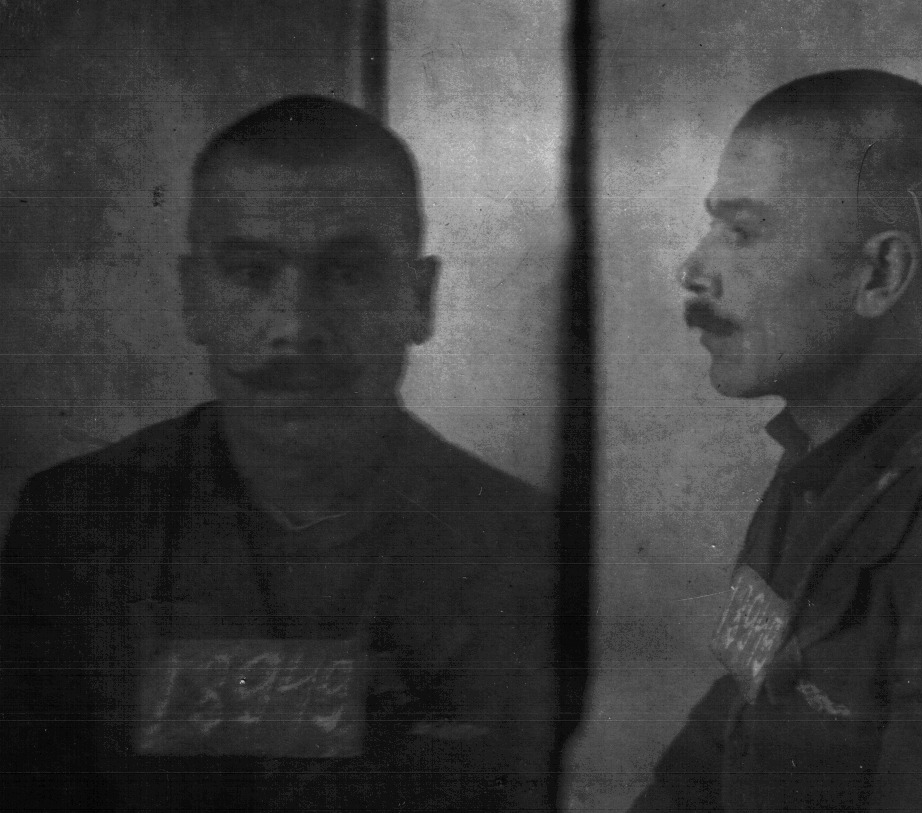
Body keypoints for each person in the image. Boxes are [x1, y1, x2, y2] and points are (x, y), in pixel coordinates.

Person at [0, 96, 560, 811]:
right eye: (251, 273)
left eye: (348, 273)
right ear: (194, 298)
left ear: (419, 299)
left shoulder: (522, 547)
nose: (296, 325)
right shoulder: (77, 527)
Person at [631, 69, 922, 811]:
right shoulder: (822, 470)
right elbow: (736, 721)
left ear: (880, 273)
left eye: (741, 232)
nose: (693, 269)